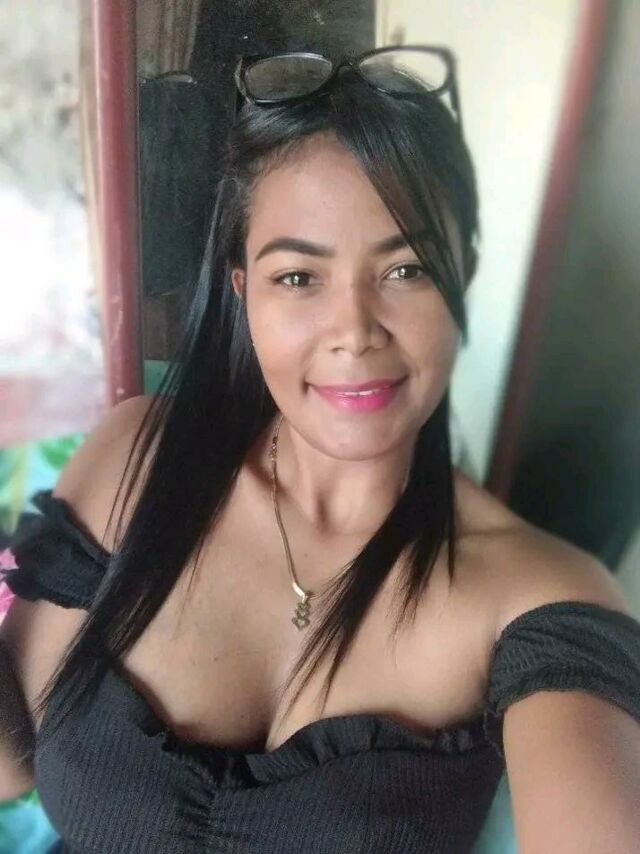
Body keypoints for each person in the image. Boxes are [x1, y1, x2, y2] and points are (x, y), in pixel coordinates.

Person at [1, 47, 640, 853]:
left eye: (406, 269)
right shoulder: (139, 460)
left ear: (463, 274)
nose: (354, 331)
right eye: (299, 278)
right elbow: (11, 767)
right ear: (243, 291)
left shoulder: (535, 593)